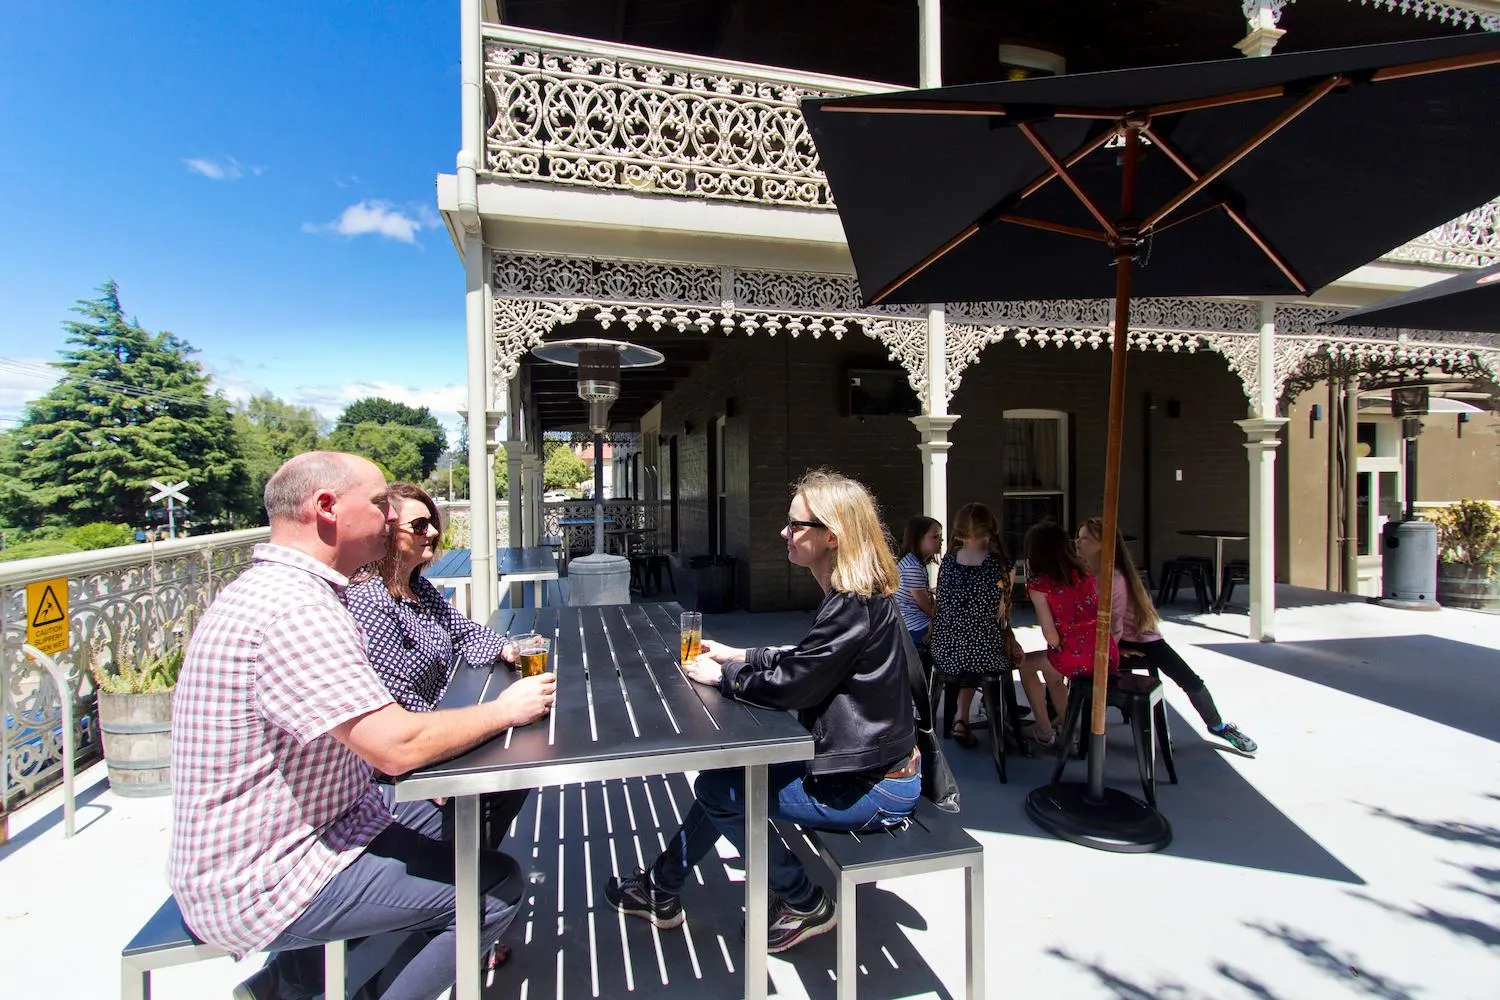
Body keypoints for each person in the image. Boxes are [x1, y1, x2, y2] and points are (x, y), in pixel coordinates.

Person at [168, 452, 557, 1000]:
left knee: (475, 803)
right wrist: (504, 710)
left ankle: (287, 984)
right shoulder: (297, 610)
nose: (390, 519)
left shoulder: (289, 591)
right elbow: (394, 747)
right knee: (493, 889)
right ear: (327, 508)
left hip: (333, 823)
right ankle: (313, 978)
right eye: (378, 505)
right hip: (269, 875)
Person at [603, 469, 918, 954]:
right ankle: (659, 889)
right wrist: (740, 655)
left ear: (830, 536)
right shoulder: (855, 600)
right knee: (729, 777)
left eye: (795, 526)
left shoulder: (851, 605)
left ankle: (804, 900)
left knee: (719, 788)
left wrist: (721, 676)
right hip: (863, 767)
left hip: (874, 786)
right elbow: (811, 659)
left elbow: (794, 684)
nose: (784, 533)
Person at [345, 481, 534, 965]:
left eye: (434, 524)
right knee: (496, 782)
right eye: (418, 525)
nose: (431, 533)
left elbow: (464, 631)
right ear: (387, 532)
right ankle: (462, 911)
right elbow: (393, 699)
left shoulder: (414, 586)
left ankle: (465, 904)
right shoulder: (370, 600)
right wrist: (442, 756)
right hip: (390, 771)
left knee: (514, 773)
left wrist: (503, 647)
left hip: (434, 731)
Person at [1075, 517, 1258, 754]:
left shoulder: (1114, 578)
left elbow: (1114, 625)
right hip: (1118, 638)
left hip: (1143, 639)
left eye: (1085, 538)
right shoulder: (1092, 572)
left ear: (1103, 545)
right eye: (1078, 537)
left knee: (1189, 680)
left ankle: (1218, 725)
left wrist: (1113, 650)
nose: (1078, 542)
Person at [1020, 519, 1119, 750]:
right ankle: (1068, 725)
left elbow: (1050, 636)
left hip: (1075, 656)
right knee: (1053, 674)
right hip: (1105, 655)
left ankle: (1044, 729)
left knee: (1026, 665)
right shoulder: (1085, 573)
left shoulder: (1039, 585)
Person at [928, 503, 1014, 749]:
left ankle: (961, 718)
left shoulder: (949, 561)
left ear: (958, 531)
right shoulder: (999, 564)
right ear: (991, 529)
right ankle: (1000, 716)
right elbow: (1003, 615)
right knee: (994, 654)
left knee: (967, 649)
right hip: (985, 655)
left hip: (946, 652)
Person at [895, 515, 942, 648]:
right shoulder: (912, 566)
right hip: (914, 628)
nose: (941, 540)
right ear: (918, 538)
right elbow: (926, 606)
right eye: (935, 537)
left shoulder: (914, 562)